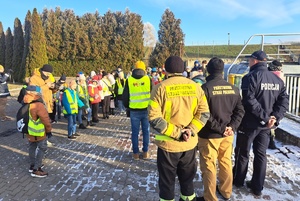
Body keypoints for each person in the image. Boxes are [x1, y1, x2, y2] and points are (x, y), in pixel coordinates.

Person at [148, 56, 210, 201]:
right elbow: (204, 113)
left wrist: (177, 133)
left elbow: (154, 118)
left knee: (167, 183)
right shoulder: (195, 87)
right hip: (189, 145)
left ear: (165, 69)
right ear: (183, 69)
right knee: (187, 181)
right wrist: (190, 130)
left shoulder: (159, 88)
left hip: (168, 146)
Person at [233, 50, 289, 196]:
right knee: (260, 155)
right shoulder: (277, 80)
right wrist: (274, 118)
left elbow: (248, 100)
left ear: (255, 60)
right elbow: (284, 102)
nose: (249, 62)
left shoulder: (250, 77)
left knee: (242, 153)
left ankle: (238, 180)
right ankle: (257, 186)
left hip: (250, 124)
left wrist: (267, 117)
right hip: (266, 126)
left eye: (250, 60)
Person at [196, 57, 245, 201]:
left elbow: (204, 114)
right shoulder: (233, 88)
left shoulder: (204, 89)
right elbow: (240, 111)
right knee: (225, 162)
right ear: (222, 71)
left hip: (210, 134)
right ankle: (226, 192)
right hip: (227, 134)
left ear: (208, 70)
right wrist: (231, 127)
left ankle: (210, 197)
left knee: (209, 166)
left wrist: (221, 128)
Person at [123, 60, 152, 160]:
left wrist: (127, 106)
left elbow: (125, 96)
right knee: (146, 132)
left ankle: (135, 153)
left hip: (134, 110)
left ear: (134, 68)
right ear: (144, 69)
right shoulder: (148, 79)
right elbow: (152, 94)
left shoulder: (129, 80)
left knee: (135, 133)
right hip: (146, 110)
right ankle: (145, 152)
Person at [23, 85, 52, 178]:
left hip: (29, 130)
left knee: (32, 147)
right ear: (35, 93)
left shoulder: (25, 100)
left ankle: (32, 165)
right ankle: (37, 169)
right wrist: (48, 130)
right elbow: (45, 119)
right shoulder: (38, 104)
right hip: (38, 131)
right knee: (42, 148)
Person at [268, 60, 284, 149]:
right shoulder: (280, 76)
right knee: (273, 121)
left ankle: (270, 140)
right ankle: (271, 141)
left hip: (268, 101)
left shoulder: (265, 74)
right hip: (275, 102)